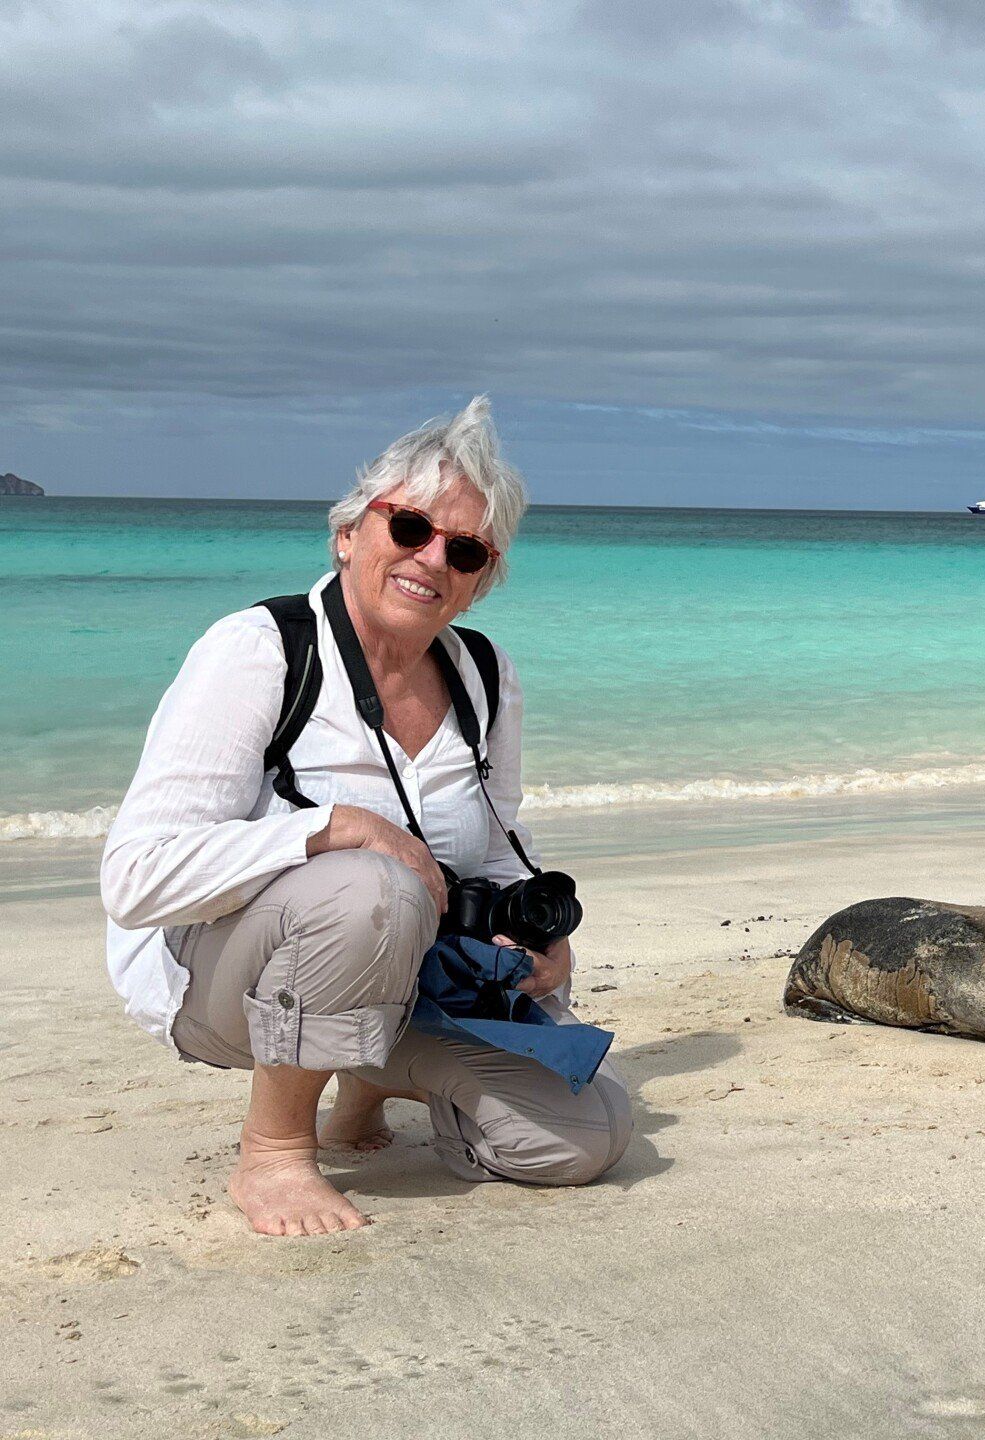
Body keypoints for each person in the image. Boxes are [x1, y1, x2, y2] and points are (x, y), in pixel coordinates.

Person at [101, 398, 631, 1237]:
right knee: (370, 886)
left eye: (464, 551)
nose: (432, 559)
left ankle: (371, 1076)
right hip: (223, 981)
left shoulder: (484, 674)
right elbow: (134, 880)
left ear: (480, 581)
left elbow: (494, 844)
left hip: (409, 982)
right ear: (349, 533)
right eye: (410, 527)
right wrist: (338, 826)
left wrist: (539, 937)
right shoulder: (261, 650)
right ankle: (275, 1148)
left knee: (585, 1137)